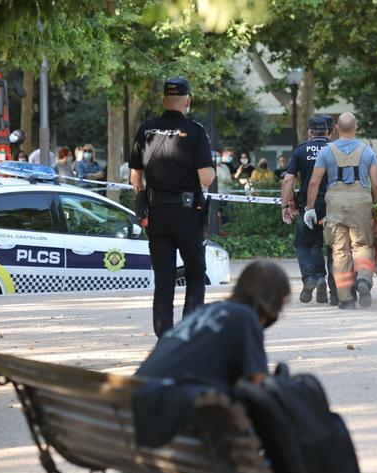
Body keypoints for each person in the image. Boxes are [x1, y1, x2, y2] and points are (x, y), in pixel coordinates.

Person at [129, 77, 216, 337]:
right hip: (187, 214)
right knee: (195, 272)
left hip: (157, 213)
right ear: (187, 101)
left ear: (164, 100)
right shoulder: (195, 131)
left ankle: (164, 331)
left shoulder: (146, 129)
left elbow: (135, 176)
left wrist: (143, 201)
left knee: (164, 277)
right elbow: (206, 178)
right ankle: (189, 330)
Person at [135, 261, 290, 387]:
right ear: (278, 300)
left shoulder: (208, 309)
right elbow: (259, 385)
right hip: (165, 406)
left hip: (136, 396)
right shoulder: (244, 317)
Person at [305, 112, 377, 310]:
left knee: (340, 252)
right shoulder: (368, 151)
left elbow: (314, 181)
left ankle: (346, 299)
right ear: (356, 127)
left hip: (335, 205)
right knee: (362, 246)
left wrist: (310, 208)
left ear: (336, 128)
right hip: (361, 203)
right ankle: (363, 278)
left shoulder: (326, 152)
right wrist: (372, 201)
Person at [281, 117, 336, 305]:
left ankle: (311, 277)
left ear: (309, 133)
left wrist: (286, 205)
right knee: (331, 246)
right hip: (333, 205)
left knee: (305, 244)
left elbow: (288, 180)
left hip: (309, 205)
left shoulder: (300, 151)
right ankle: (326, 283)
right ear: (328, 132)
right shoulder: (336, 150)